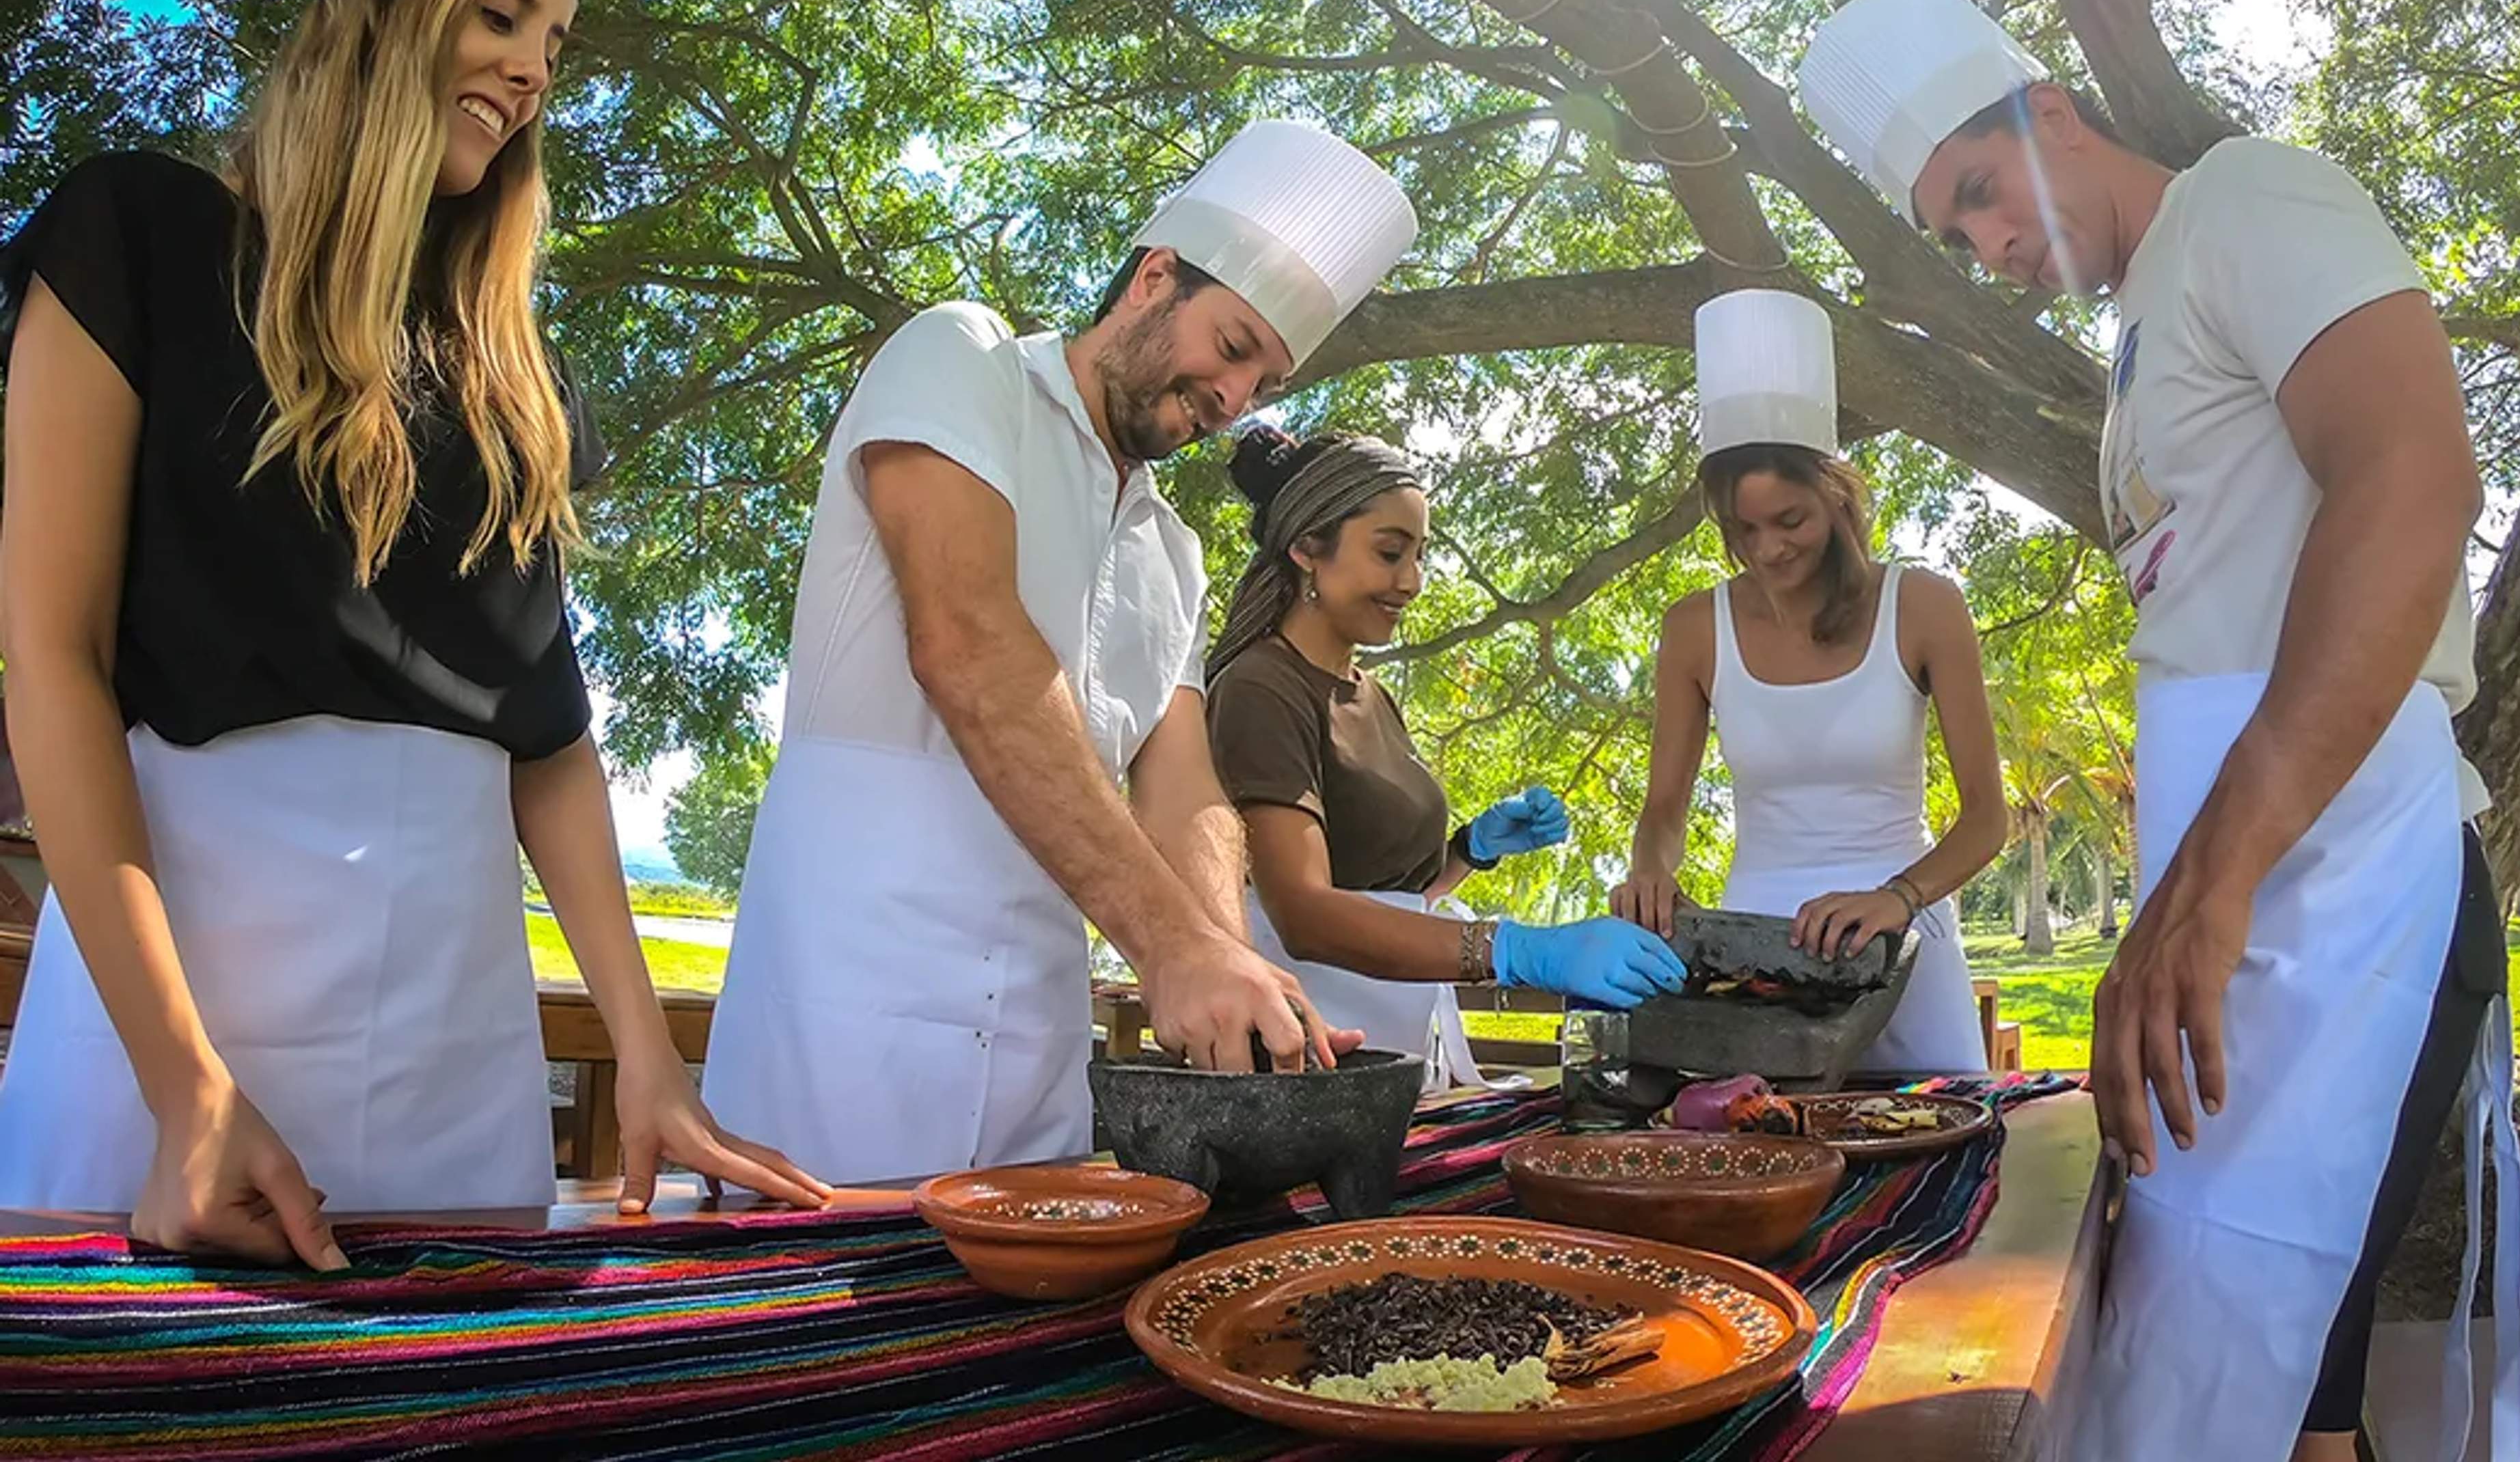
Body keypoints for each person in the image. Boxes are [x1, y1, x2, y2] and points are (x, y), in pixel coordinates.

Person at [0, 0, 827, 1267]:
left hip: (460, 1034)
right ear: (377, 3)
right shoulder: (133, 239)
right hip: (172, 1019)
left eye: (555, 38)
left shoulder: (522, 381)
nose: (531, 66)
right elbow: (46, 656)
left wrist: (648, 1054)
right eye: (499, 6)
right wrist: (188, 1088)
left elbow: (549, 738)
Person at [1796, 0, 2520, 1461]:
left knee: (2273, 1336)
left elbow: (2412, 479)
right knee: (2234, 1354)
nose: (1994, 245)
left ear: (2055, 108)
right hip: (2245, 884)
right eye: (1959, 232)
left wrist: (2215, 875)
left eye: (1988, 191)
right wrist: (2187, 890)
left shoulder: (2251, 195)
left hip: (2350, 875)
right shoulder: (2133, 344)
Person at [702, 121, 1415, 1183]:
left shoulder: (1172, 551)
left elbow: (1186, 792)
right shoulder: (962, 362)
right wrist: (1172, 950)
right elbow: (972, 655)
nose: (1233, 400)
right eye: (1231, 348)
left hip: (1037, 1053)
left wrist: (1231, 978)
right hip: (843, 1025)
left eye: (1263, 386)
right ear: (1155, 278)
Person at [1203, 426, 1688, 1090]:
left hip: (1386, 1051)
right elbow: (1306, 914)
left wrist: (1470, 851)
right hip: (1302, 1058)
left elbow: (1392, 895)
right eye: (1390, 552)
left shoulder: (1371, 694)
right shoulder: (1261, 687)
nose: (1413, 581)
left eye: (1420, 555)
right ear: (1307, 548)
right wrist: (1516, 949)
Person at [1611, 290, 2006, 1073]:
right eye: (1743, 529)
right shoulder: (1693, 627)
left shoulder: (1923, 605)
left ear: (1836, 497)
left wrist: (1897, 898)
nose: (1768, 550)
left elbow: (1985, 820)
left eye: (1789, 520)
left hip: (1905, 941)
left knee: (1941, 1160)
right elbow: (1664, 809)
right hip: (1763, 958)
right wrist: (1650, 870)